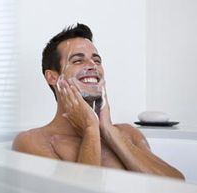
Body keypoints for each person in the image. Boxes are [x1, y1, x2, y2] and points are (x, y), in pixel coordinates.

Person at [12, 23, 184, 180]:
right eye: (78, 60)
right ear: (52, 77)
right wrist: (90, 130)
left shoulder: (128, 134)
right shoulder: (33, 141)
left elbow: (177, 185)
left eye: (97, 60)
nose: (92, 65)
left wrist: (108, 130)